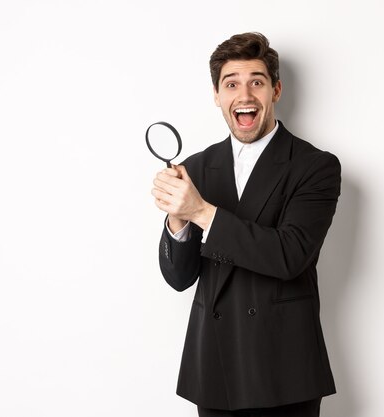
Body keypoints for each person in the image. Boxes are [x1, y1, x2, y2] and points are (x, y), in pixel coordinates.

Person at [152, 32, 341, 417]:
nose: (245, 94)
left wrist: (201, 212)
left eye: (257, 81)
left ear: (276, 90)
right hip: (215, 368)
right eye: (231, 83)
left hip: (285, 370)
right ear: (217, 96)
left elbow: (289, 256)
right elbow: (179, 277)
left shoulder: (315, 166)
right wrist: (177, 218)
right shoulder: (197, 168)